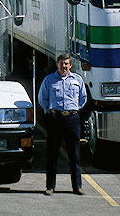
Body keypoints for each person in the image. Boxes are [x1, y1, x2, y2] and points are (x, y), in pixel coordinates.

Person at [36, 53, 87, 195]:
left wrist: (75, 109)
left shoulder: (77, 79)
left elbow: (83, 97)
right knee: (52, 154)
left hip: (72, 119)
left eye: (66, 64)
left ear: (70, 65)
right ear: (57, 65)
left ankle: (77, 186)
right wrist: (50, 110)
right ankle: (50, 187)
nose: (64, 66)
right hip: (55, 119)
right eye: (61, 63)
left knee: (74, 154)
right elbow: (42, 98)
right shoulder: (49, 80)